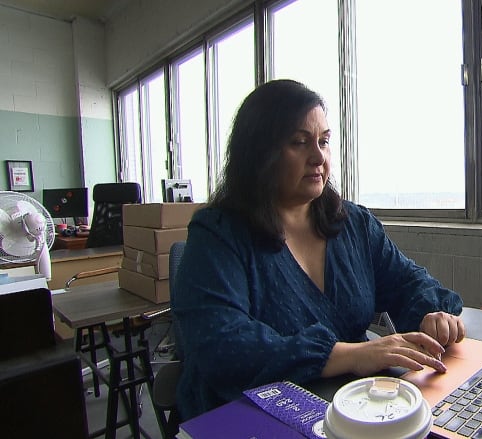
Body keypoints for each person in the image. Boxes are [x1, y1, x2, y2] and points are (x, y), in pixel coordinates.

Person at [172, 79, 466, 421]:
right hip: (250, 412)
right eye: (299, 142)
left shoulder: (353, 223)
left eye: (324, 142)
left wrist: (433, 314)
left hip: (350, 407)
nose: (318, 157)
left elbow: (408, 282)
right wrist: (349, 355)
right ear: (259, 152)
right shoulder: (218, 233)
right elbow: (222, 345)